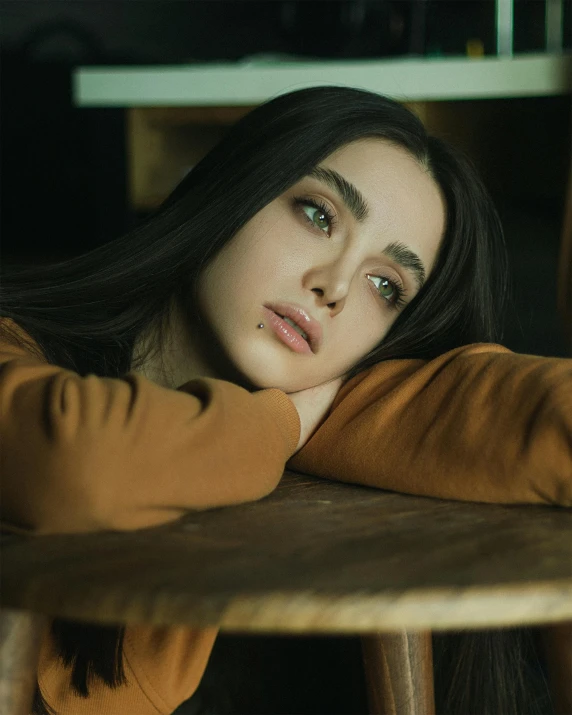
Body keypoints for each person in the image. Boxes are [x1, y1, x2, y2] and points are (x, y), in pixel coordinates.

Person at [0, 86, 570, 715]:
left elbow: (508, 412)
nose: (335, 287)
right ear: (236, 188)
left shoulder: (309, 405)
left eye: (386, 284)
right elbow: (75, 464)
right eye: (319, 215)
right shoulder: (15, 345)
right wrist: (281, 422)